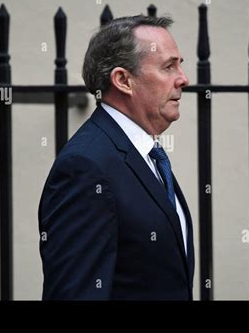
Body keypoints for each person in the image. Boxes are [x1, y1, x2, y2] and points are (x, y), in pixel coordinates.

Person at [38, 15, 193, 300]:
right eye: (169, 66)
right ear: (123, 80)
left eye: (180, 65)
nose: (183, 78)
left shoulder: (147, 155)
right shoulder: (86, 167)